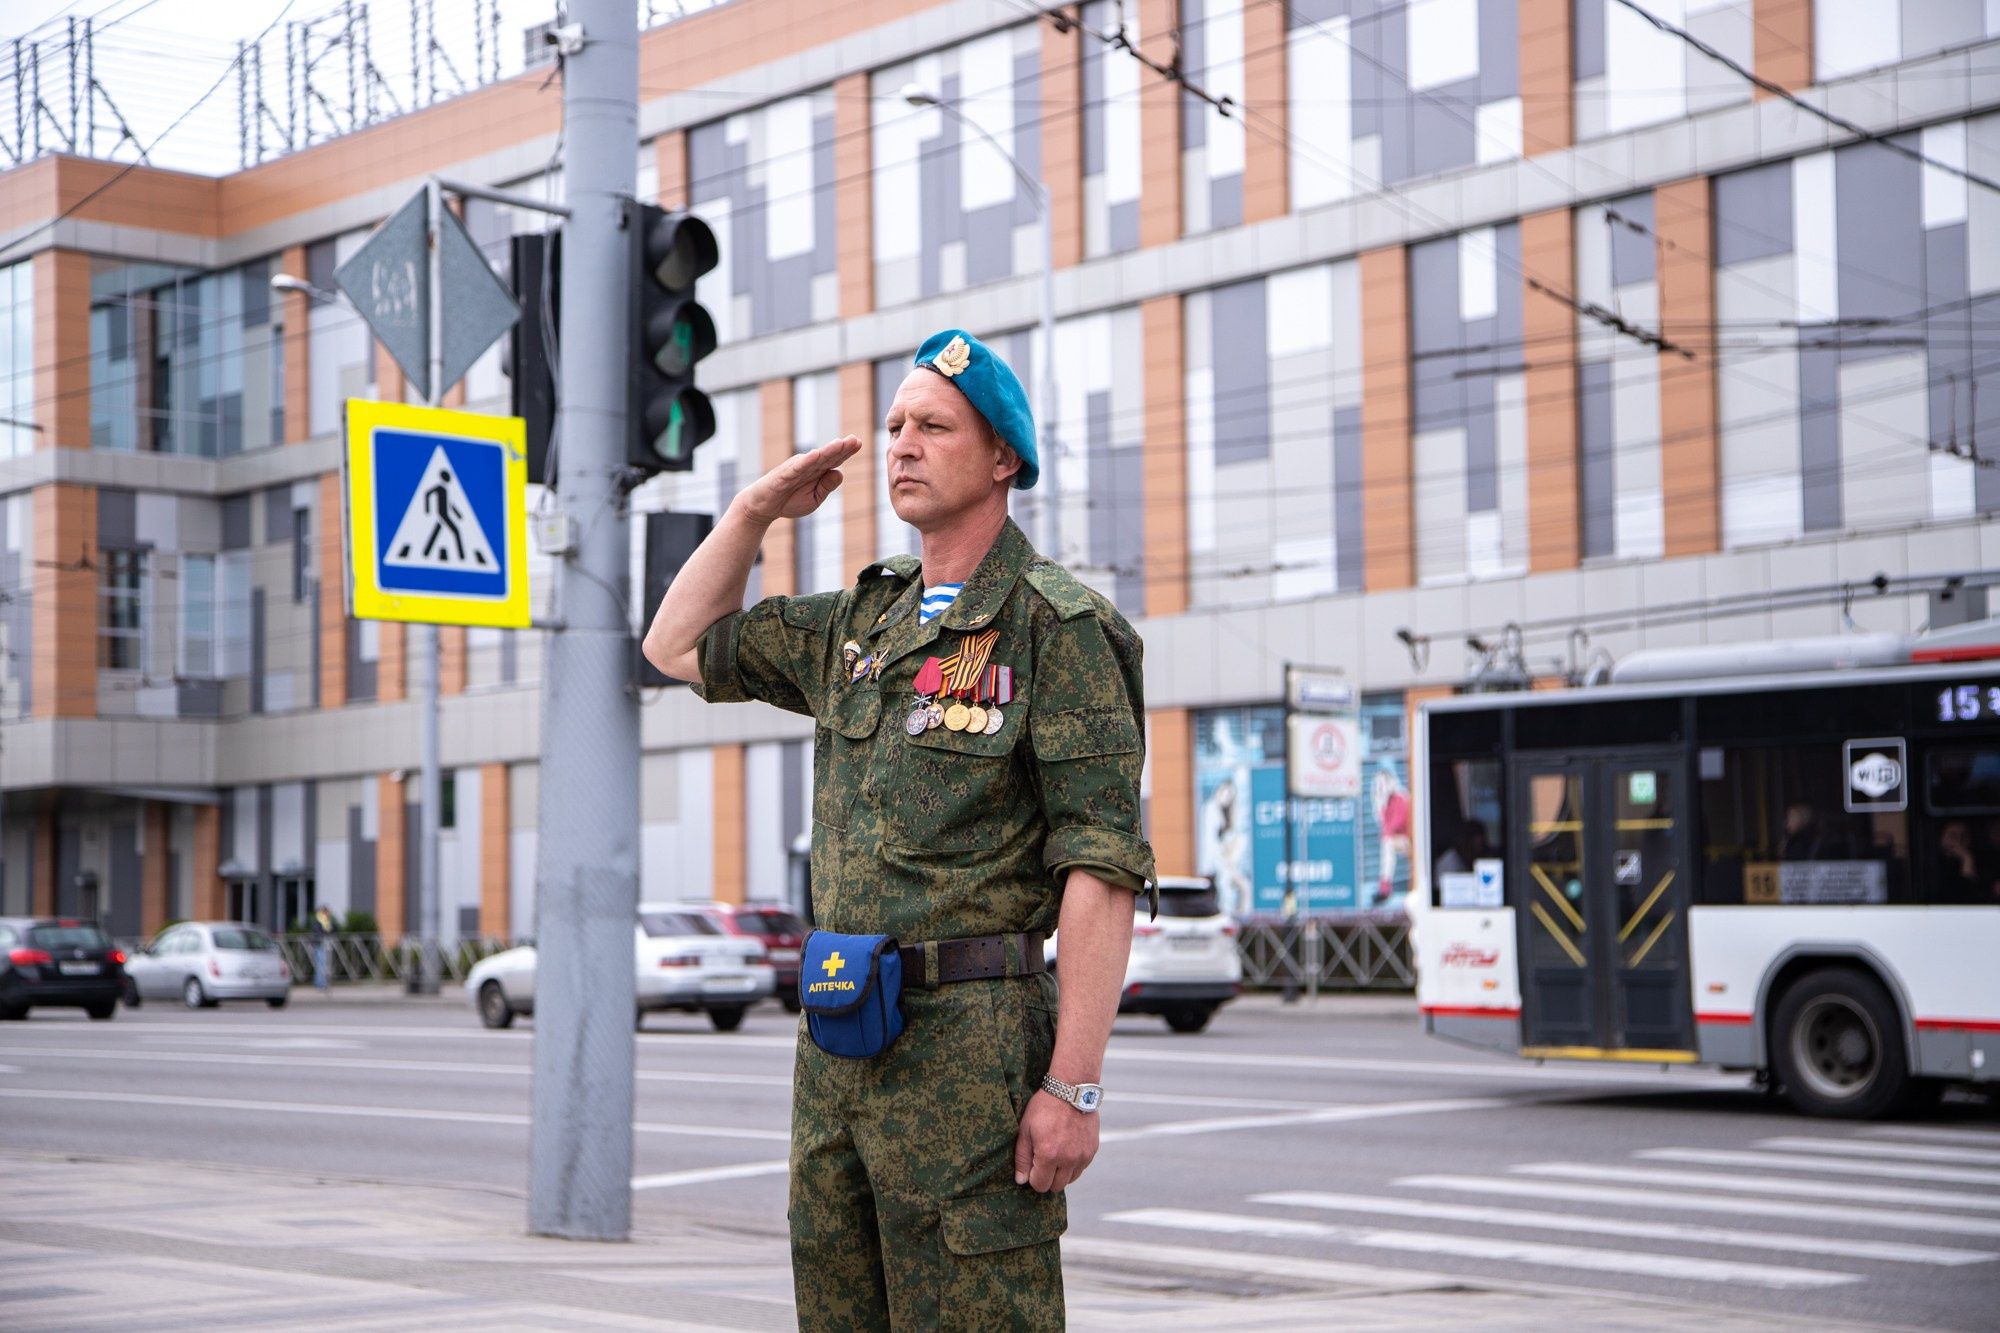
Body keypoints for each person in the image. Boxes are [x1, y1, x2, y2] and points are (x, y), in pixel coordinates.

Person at [643, 328, 1153, 1331]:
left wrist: (1074, 1087)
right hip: (840, 1034)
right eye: (892, 427)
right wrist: (751, 512)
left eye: (933, 426)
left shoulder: (1058, 628)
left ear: (1002, 457)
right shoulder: (860, 626)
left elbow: (1100, 866)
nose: (902, 446)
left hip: (972, 1050)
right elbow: (675, 645)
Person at [309, 905, 336, 992]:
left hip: (324, 943)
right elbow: (319, 930)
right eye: (327, 912)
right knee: (320, 964)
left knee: (323, 964)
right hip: (319, 943)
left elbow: (331, 929)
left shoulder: (325, 920)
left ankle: (321, 982)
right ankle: (320, 983)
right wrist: (325, 932)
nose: (328, 914)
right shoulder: (319, 919)